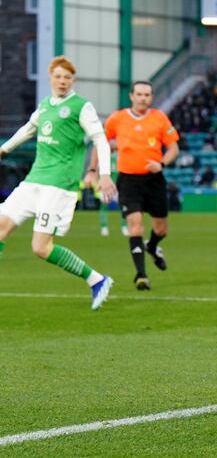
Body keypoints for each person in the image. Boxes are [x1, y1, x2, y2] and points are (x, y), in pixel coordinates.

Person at [0, 55, 115, 310]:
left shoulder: (81, 106)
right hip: (34, 181)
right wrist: (3, 150)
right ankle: (98, 280)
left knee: (40, 248)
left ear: (73, 81)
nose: (63, 81)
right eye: (58, 76)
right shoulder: (44, 106)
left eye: (68, 77)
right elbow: (28, 129)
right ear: (51, 77)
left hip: (59, 185)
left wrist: (104, 174)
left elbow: (101, 140)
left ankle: (96, 279)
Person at [88, 81, 179, 291]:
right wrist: (93, 170)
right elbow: (100, 143)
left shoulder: (159, 118)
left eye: (147, 94)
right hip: (128, 180)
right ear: (131, 96)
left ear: (151, 97)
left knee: (161, 229)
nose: (143, 98)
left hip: (154, 180)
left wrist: (162, 163)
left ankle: (153, 246)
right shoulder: (117, 118)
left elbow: (174, 147)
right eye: (139, 94)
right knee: (135, 224)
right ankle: (141, 275)